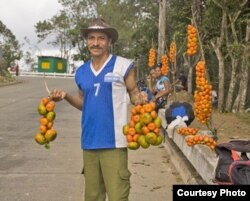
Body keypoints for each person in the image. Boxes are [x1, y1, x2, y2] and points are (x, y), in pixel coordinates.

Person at [50, 17, 147, 201]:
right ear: (86, 41)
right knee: (93, 197)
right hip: (89, 142)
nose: (96, 43)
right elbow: (83, 103)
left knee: (118, 196)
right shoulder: (81, 72)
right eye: (91, 38)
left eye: (101, 38)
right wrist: (66, 97)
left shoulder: (123, 65)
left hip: (115, 142)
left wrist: (140, 98)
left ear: (110, 41)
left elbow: (134, 92)